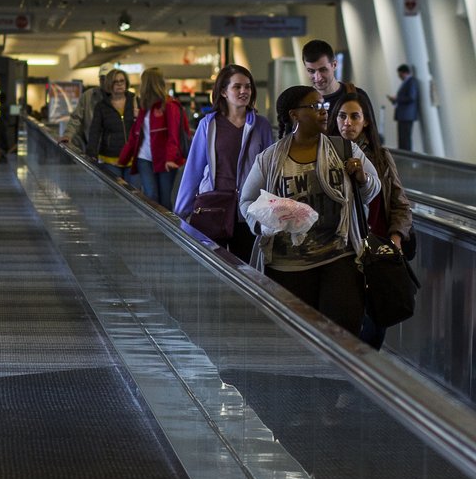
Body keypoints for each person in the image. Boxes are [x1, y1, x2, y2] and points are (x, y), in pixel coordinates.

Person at [239, 85, 379, 336]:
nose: (324, 112)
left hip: (339, 259)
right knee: (297, 341)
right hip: (287, 267)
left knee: (341, 336)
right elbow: (247, 202)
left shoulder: (344, 149)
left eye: (324, 106)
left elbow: (372, 190)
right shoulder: (269, 159)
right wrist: (264, 222)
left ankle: (337, 377)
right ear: (295, 115)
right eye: (315, 107)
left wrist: (362, 178)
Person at [329, 88, 413, 348]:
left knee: (376, 327)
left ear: (366, 120)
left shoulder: (380, 156)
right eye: (342, 116)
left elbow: (400, 204)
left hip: (377, 255)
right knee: (344, 324)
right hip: (341, 254)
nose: (348, 123)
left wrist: (395, 239)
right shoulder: (325, 154)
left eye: (355, 117)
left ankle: (362, 382)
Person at [174, 64, 274, 260]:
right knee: (212, 264)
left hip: (248, 209)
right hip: (214, 206)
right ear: (223, 92)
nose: (244, 91)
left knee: (247, 268)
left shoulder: (260, 125)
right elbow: (193, 170)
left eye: (248, 87)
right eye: (237, 87)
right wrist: (180, 213)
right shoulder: (208, 125)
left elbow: (270, 169)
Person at [118, 67, 186, 209]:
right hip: (145, 159)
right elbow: (134, 136)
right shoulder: (144, 108)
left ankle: (166, 230)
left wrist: (170, 158)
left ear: (147, 84)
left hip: (165, 160)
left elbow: (173, 135)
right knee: (151, 196)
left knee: (165, 200)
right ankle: (155, 230)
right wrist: (123, 160)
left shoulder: (170, 106)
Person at [85, 69, 136, 182]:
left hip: (133, 158)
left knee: (135, 194)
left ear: (126, 83)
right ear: (109, 85)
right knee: (116, 194)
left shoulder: (135, 101)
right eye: (115, 82)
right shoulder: (101, 106)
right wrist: (91, 153)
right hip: (111, 159)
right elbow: (95, 131)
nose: (119, 84)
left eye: (122, 81)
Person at [301, 39, 367, 113]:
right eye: (311, 71)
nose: (318, 78)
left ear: (334, 65)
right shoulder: (302, 102)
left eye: (323, 70)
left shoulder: (358, 95)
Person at [387, 63, 419, 151]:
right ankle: (404, 155)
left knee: (405, 138)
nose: (399, 76)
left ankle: (407, 157)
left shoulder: (411, 81)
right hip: (403, 115)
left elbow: (411, 97)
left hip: (407, 115)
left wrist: (397, 98)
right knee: (402, 138)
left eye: (400, 74)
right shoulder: (406, 82)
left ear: (404, 73)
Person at [67, 76, 104, 151]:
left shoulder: (124, 98)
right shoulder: (88, 96)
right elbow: (76, 118)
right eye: (102, 78)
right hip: (93, 145)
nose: (104, 81)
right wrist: (68, 135)